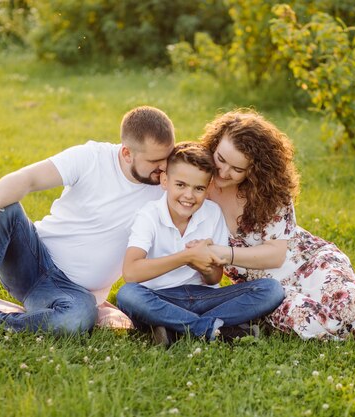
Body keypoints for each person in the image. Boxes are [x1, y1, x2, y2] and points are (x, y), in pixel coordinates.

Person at [0, 106, 181, 356]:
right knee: (5, 208)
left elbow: (203, 179)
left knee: (77, 319)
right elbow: (26, 179)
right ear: (127, 153)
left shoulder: (166, 184)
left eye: (166, 159)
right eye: (155, 161)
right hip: (32, 261)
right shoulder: (91, 158)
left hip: (72, 295)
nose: (163, 168)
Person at [197, 109, 355, 343]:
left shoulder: (269, 192)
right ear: (213, 145)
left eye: (237, 169)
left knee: (345, 303)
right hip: (268, 290)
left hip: (307, 262)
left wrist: (226, 254)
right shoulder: (196, 185)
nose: (224, 171)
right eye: (221, 159)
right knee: (310, 322)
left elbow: (275, 255)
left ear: (254, 169)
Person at [116, 142, 285, 346]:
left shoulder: (212, 213)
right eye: (181, 185)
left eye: (198, 188)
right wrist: (187, 257)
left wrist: (202, 265)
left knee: (270, 290)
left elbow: (215, 277)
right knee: (128, 295)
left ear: (208, 188)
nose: (189, 195)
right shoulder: (149, 215)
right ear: (164, 180)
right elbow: (131, 272)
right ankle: (215, 330)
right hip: (158, 298)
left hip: (204, 298)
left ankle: (175, 328)